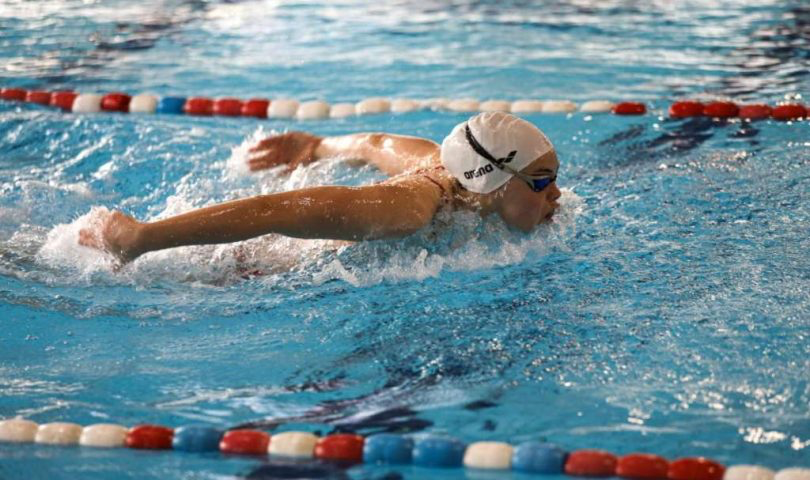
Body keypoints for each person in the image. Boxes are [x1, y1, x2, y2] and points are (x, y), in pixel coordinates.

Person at [78, 112, 562, 264]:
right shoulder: (406, 210)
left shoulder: (442, 162)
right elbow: (277, 210)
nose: (557, 195)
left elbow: (374, 143)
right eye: (542, 183)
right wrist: (143, 238)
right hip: (249, 269)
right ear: (492, 182)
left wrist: (314, 146)